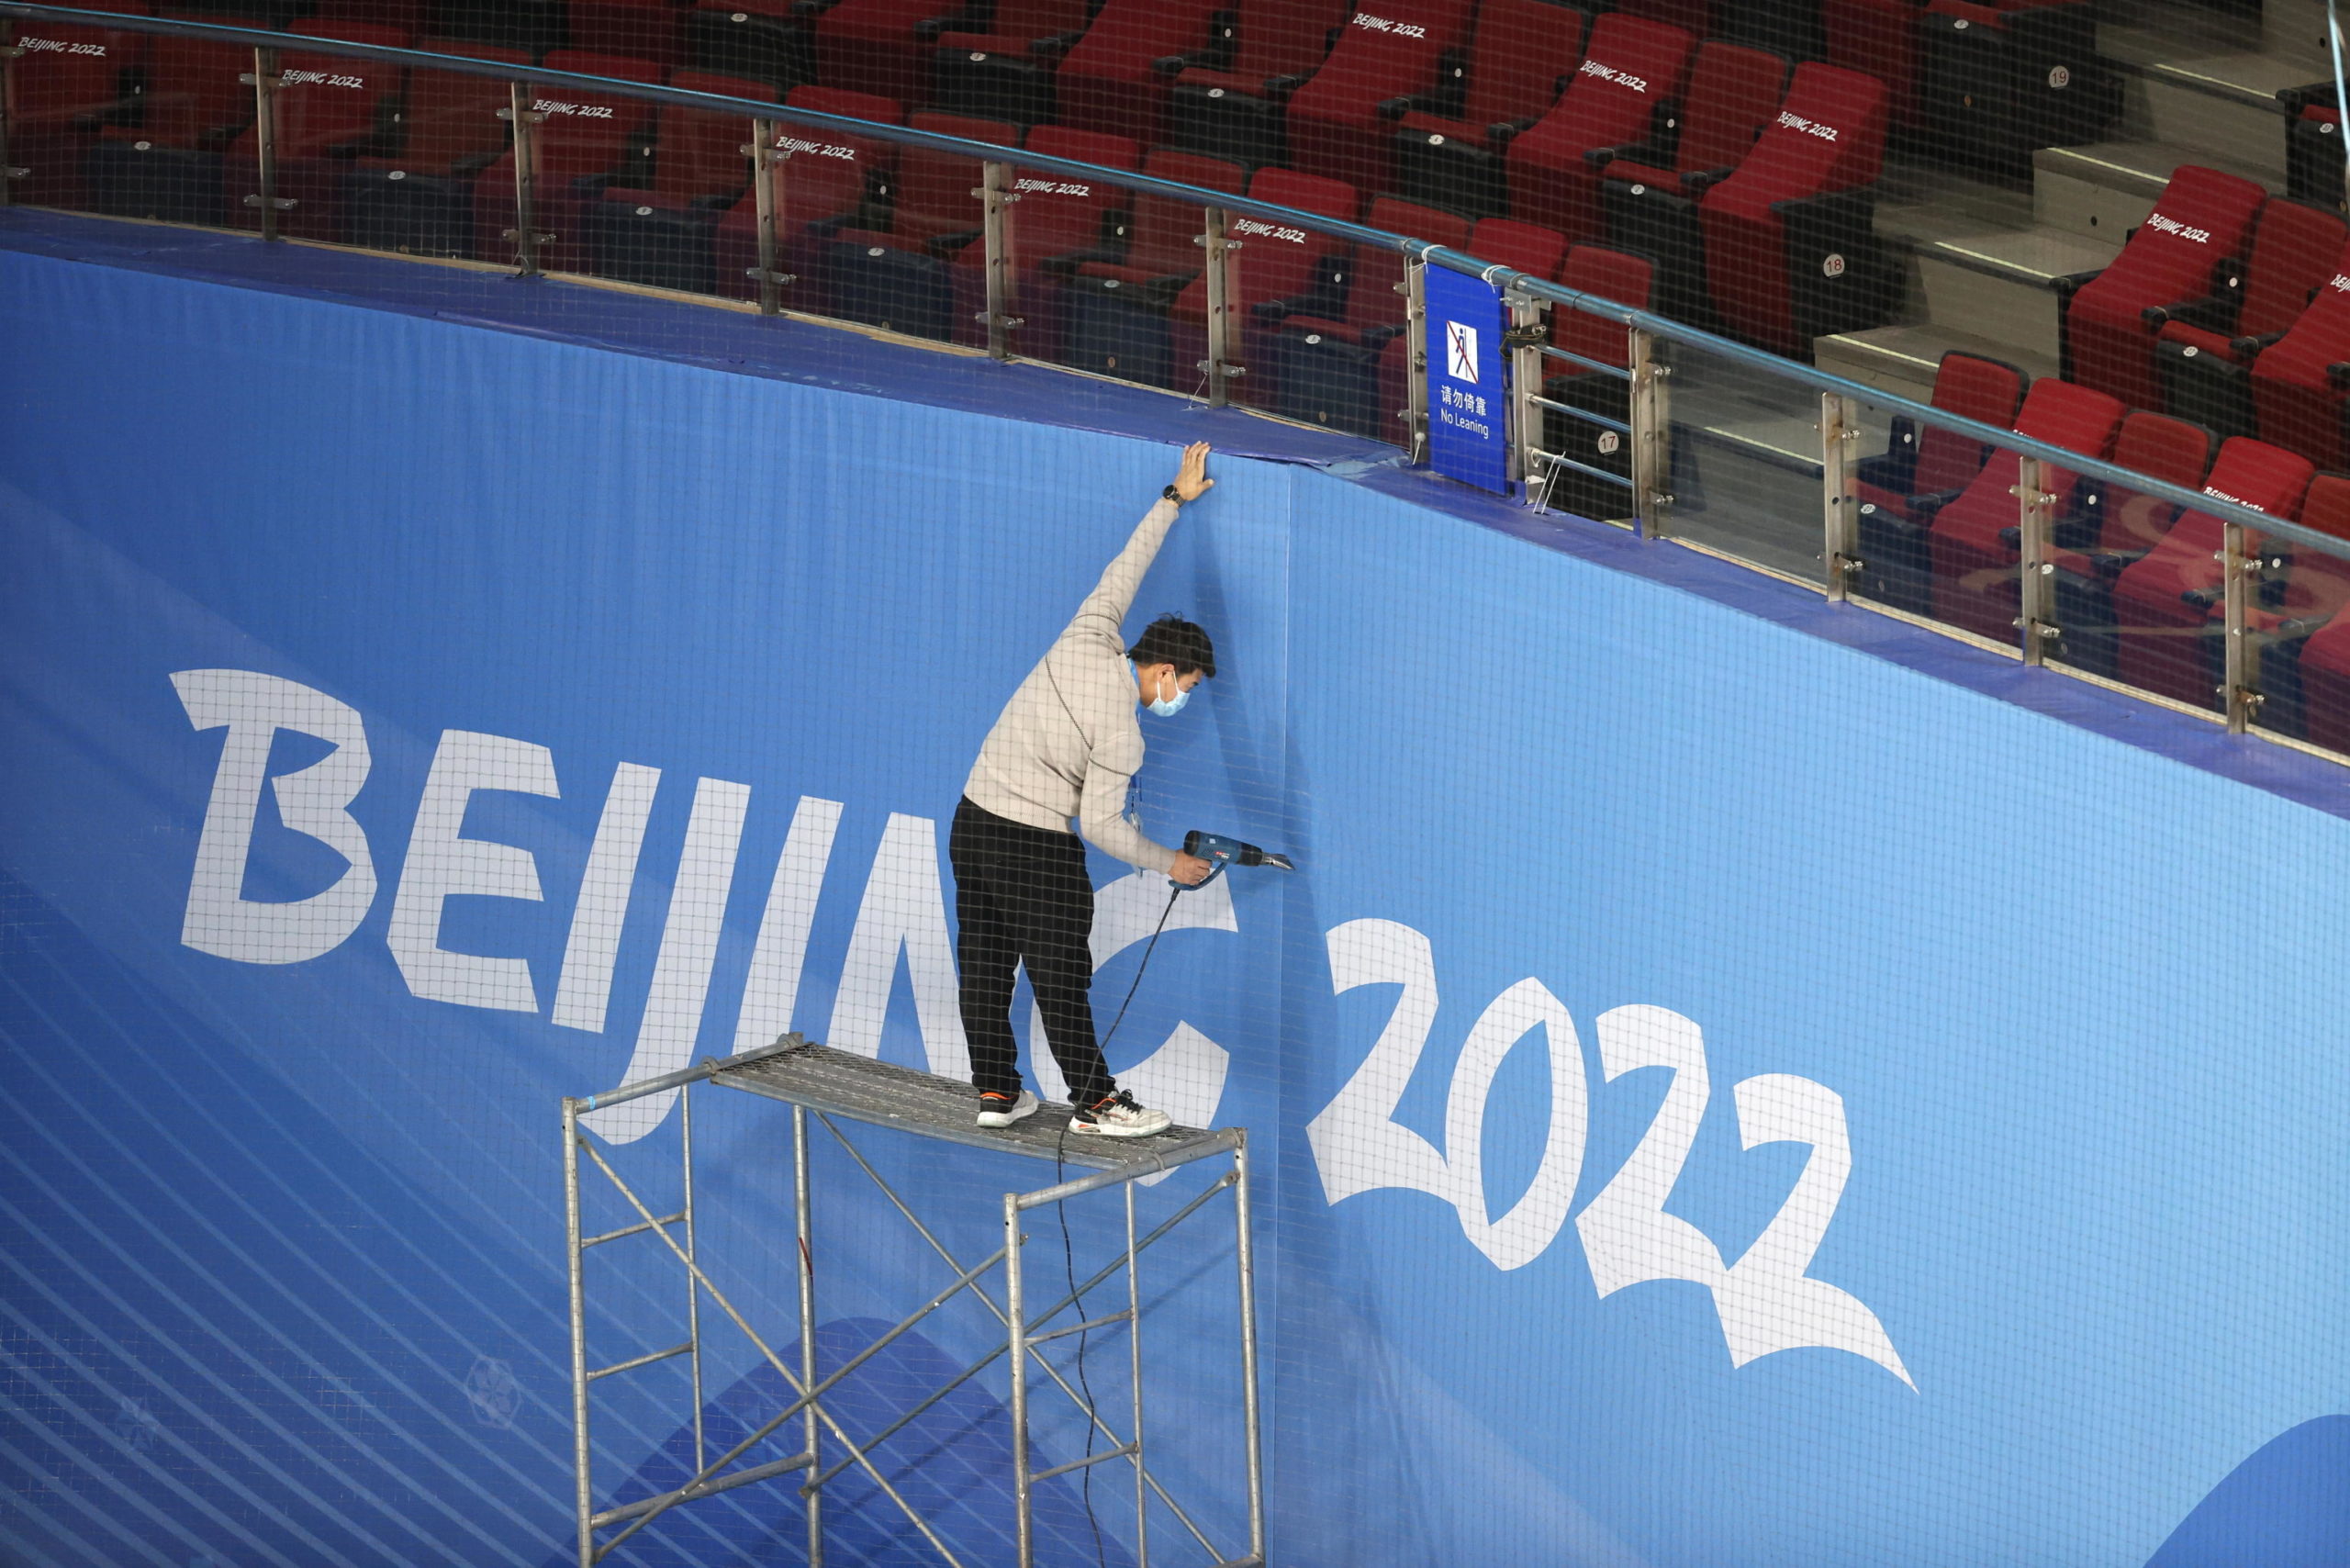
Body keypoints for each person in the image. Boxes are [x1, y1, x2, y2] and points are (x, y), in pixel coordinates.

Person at [952, 442, 1219, 1137]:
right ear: (1162, 670)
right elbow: (1101, 827)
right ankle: (1098, 1105)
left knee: (983, 959)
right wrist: (1171, 863)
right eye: (1184, 689)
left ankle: (997, 1092)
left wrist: (1171, 499)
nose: (1179, 700)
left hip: (972, 819)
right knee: (1061, 977)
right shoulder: (1124, 735)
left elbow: (1124, 569)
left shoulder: (1089, 634)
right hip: (1036, 849)